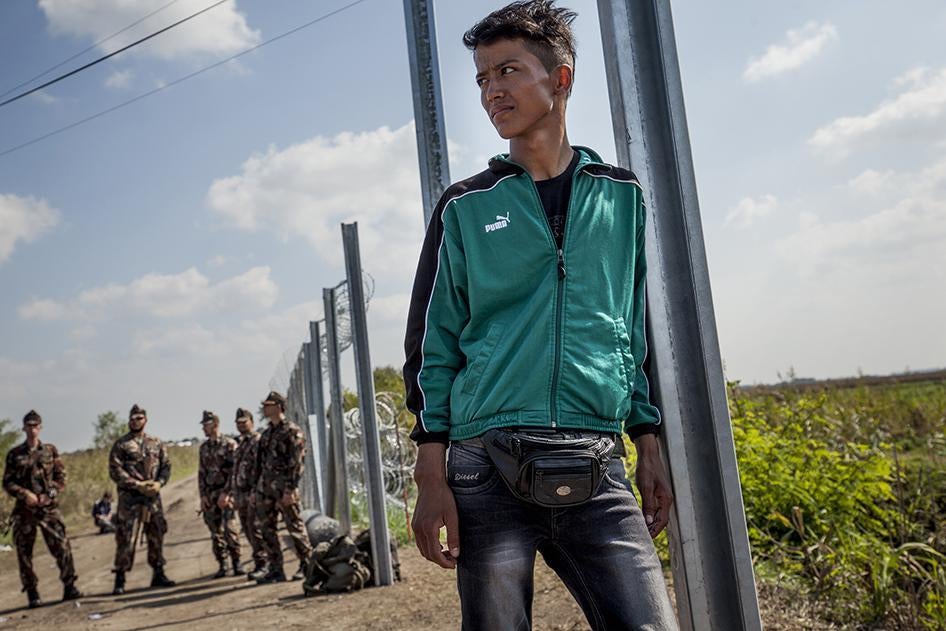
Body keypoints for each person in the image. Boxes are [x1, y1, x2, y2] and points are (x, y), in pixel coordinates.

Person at [402, 2, 677, 628]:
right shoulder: (465, 207)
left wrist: (648, 440)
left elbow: (628, 331)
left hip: (598, 460)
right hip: (484, 465)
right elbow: (432, 342)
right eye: (481, 78)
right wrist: (430, 469)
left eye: (507, 71)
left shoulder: (621, 196)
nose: (491, 90)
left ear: (561, 78)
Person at [2, 410, 82, 608]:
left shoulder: (50, 451)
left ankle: (69, 586)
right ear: (24, 428)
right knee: (24, 552)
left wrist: (50, 494)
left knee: (62, 545)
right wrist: (24, 494)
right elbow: (7, 482)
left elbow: (61, 478)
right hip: (25, 510)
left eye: (35, 425)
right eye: (29, 425)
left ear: (41, 427)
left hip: (48, 508)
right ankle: (32, 593)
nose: (32, 429)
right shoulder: (15, 454)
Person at [108, 404, 176, 595]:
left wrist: (159, 483)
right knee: (124, 537)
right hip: (129, 497)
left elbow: (166, 466)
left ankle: (158, 573)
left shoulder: (156, 443)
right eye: (132, 418)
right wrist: (136, 485)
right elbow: (115, 470)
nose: (135, 421)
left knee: (156, 533)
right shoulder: (121, 445)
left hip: (152, 497)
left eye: (139, 418)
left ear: (145, 420)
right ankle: (120, 578)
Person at [253, 390, 312, 583]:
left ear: (278, 406)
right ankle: (276, 568)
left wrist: (290, 488)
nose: (264, 408)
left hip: (284, 488)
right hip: (266, 489)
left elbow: (297, 463)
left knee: (294, 527)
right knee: (267, 529)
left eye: (268, 405)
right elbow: (260, 464)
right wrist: (257, 489)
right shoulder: (267, 433)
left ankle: (307, 565)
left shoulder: (292, 431)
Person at [217, 407, 267, 580]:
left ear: (252, 422)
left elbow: (262, 469)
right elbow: (235, 471)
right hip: (241, 495)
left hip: (254, 493)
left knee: (256, 529)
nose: (241, 425)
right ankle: (260, 563)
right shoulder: (241, 444)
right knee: (248, 529)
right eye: (238, 423)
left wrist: (256, 491)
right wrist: (229, 492)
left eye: (244, 422)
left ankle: (264, 564)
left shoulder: (257, 441)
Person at [197, 410, 242, 578]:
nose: (204, 429)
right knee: (216, 532)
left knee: (230, 529)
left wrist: (227, 493)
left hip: (226, 494)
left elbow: (234, 471)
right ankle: (223, 564)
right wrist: (203, 496)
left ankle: (237, 562)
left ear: (215, 425)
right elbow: (201, 474)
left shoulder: (229, 444)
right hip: (211, 494)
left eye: (206, 425)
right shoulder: (204, 448)